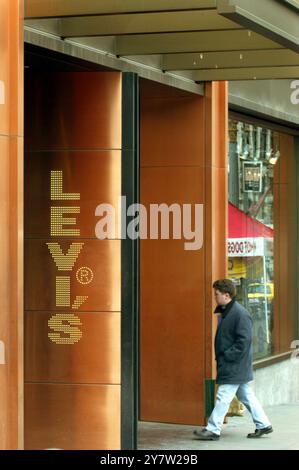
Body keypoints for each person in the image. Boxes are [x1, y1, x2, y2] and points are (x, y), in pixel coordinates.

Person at [194, 279, 273, 441]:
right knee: (247, 396)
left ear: (226, 295)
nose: (214, 297)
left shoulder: (239, 313)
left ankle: (213, 429)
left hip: (234, 364)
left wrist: (226, 355)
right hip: (235, 363)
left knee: (223, 396)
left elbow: (244, 341)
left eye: (216, 294)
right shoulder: (228, 311)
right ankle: (264, 424)